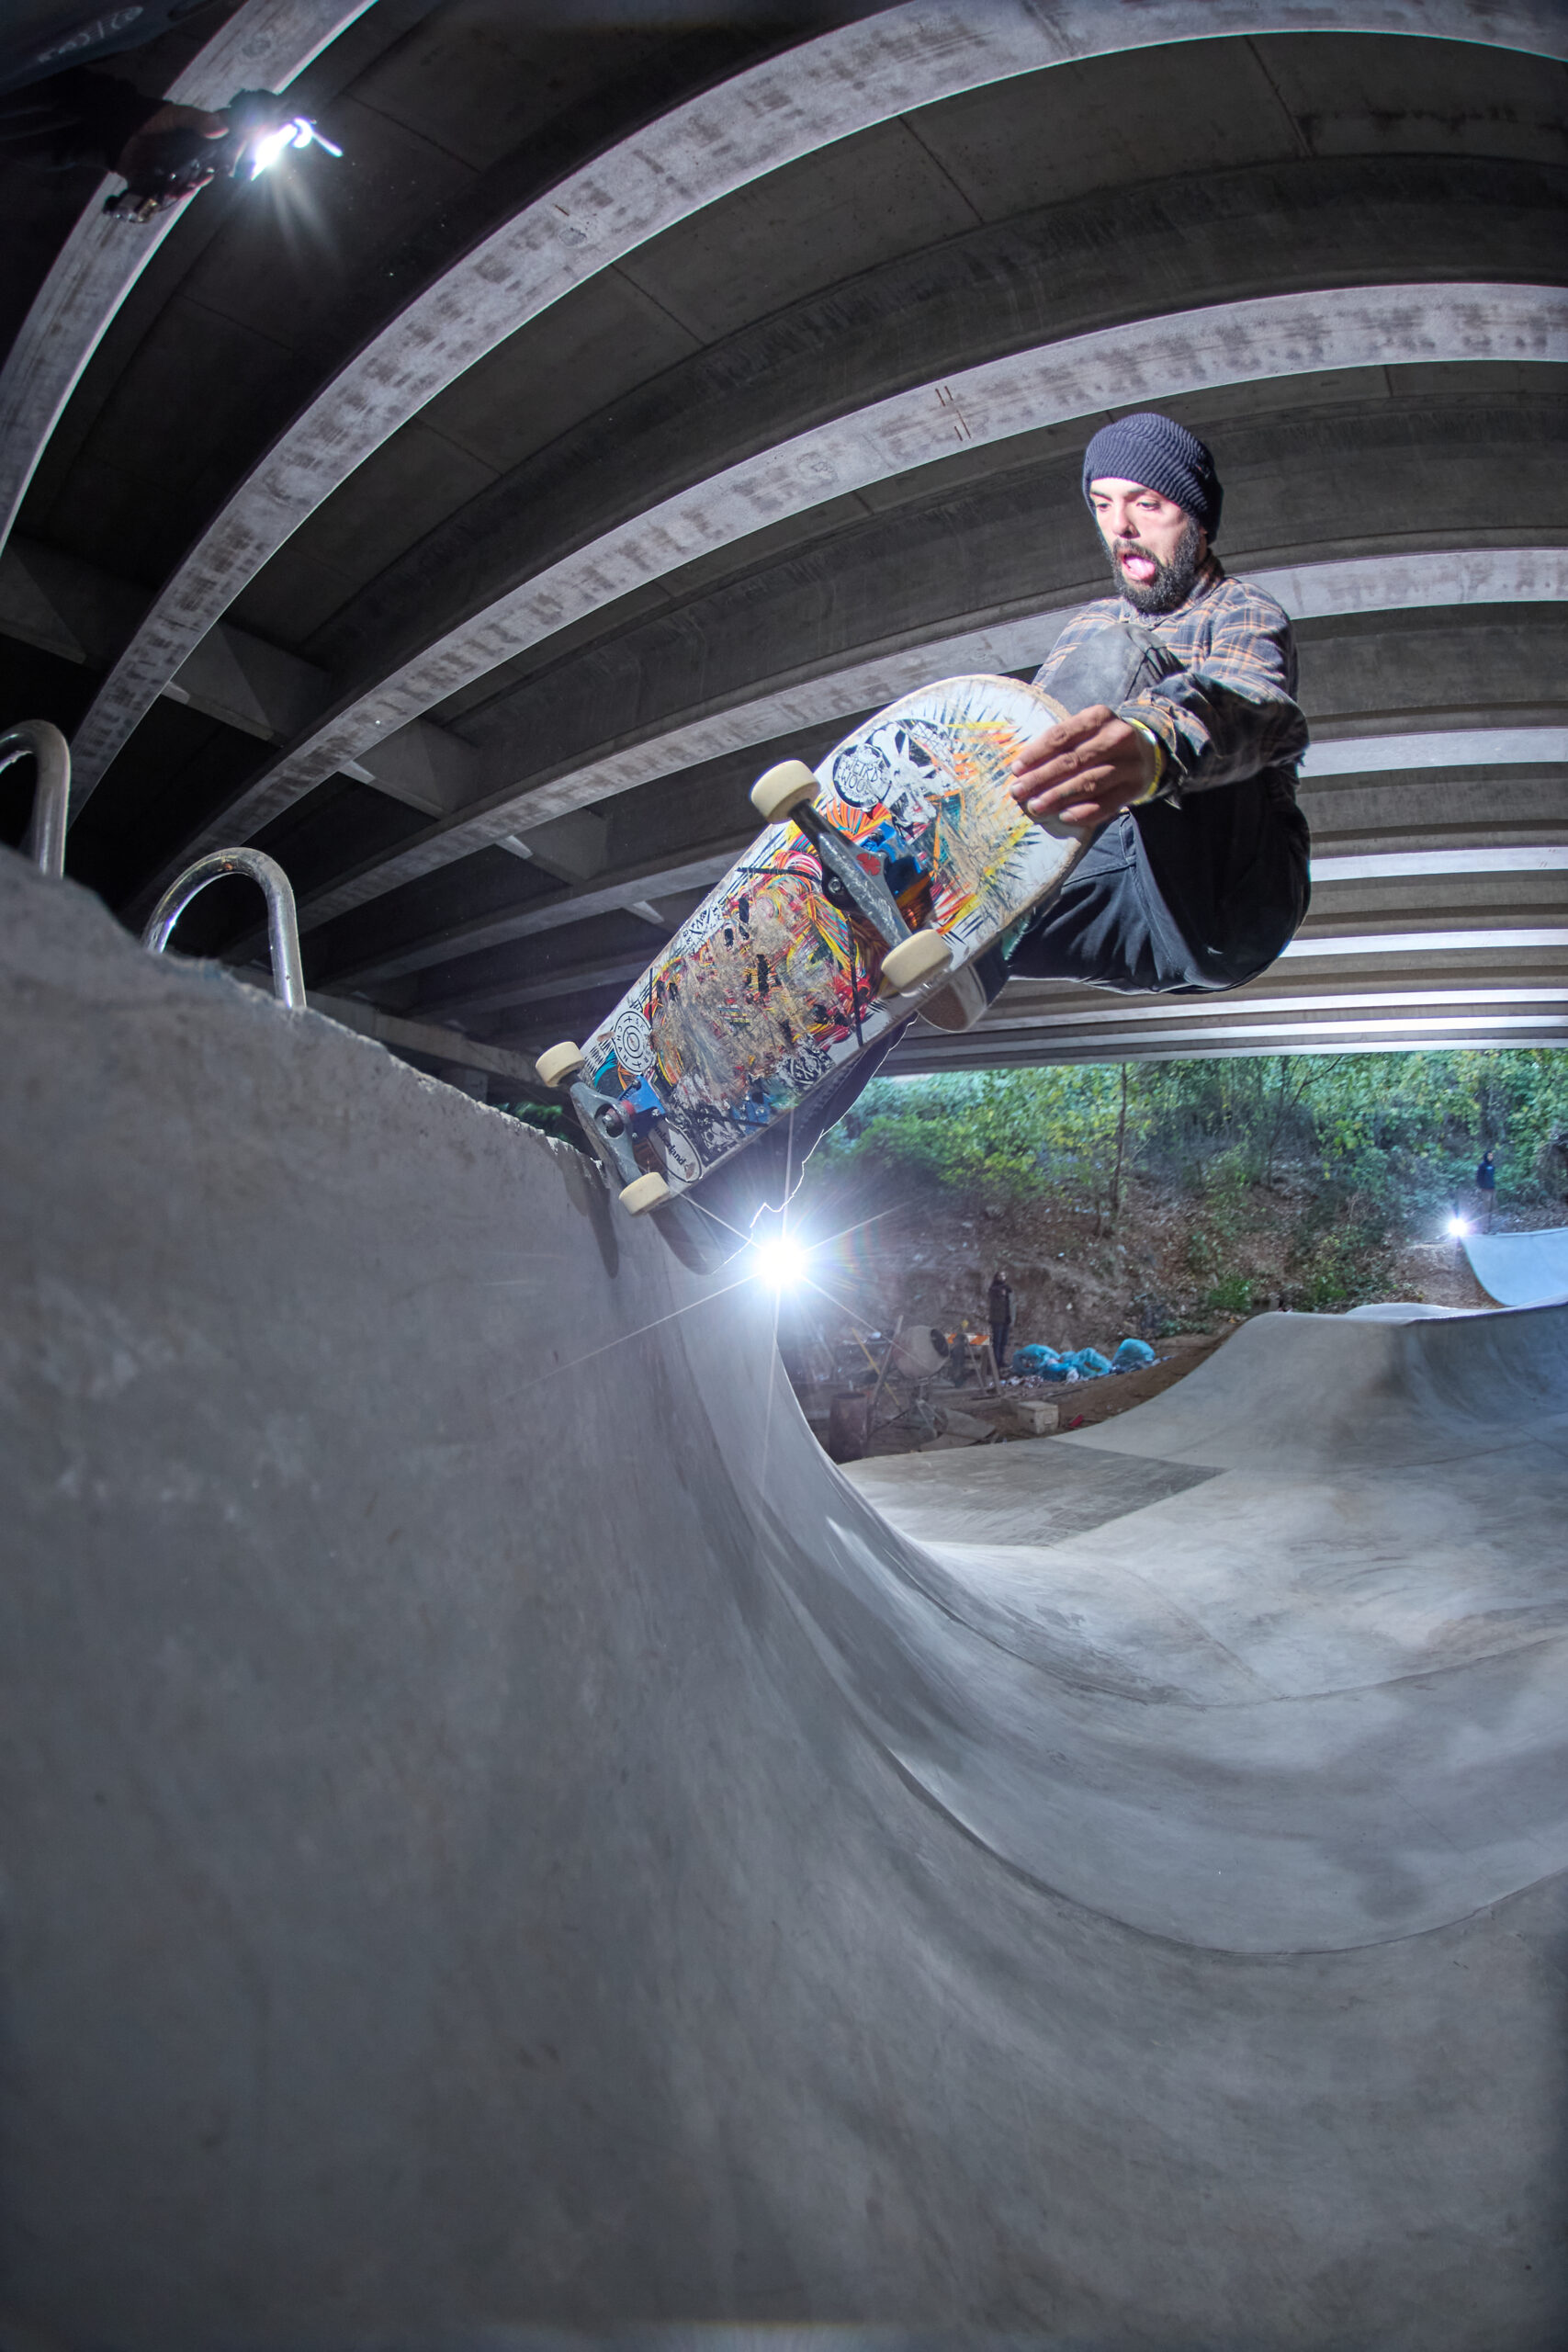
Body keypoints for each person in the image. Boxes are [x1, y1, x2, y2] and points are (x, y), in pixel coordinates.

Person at [987, 1270, 1012, 1373]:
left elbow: (1009, 1304)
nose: (1002, 1278)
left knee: (1003, 1341)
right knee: (997, 1342)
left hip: (1005, 1319)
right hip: (997, 1320)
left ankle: (1000, 1361)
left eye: (1003, 1276)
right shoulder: (994, 1289)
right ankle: (995, 1363)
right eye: (1000, 1276)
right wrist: (1001, 1291)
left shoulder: (1006, 1290)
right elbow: (994, 1292)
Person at [1475, 1147, 1497, 1228]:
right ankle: (1484, 1227)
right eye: (1489, 1156)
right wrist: (1481, 1187)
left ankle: (1490, 1225)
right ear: (1486, 1156)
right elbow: (1479, 1178)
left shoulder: (1492, 1166)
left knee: (1492, 1208)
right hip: (1485, 1189)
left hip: (1492, 1189)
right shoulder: (1482, 1166)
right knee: (1486, 1208)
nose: (1490, 1157)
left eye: (1491, 1156)